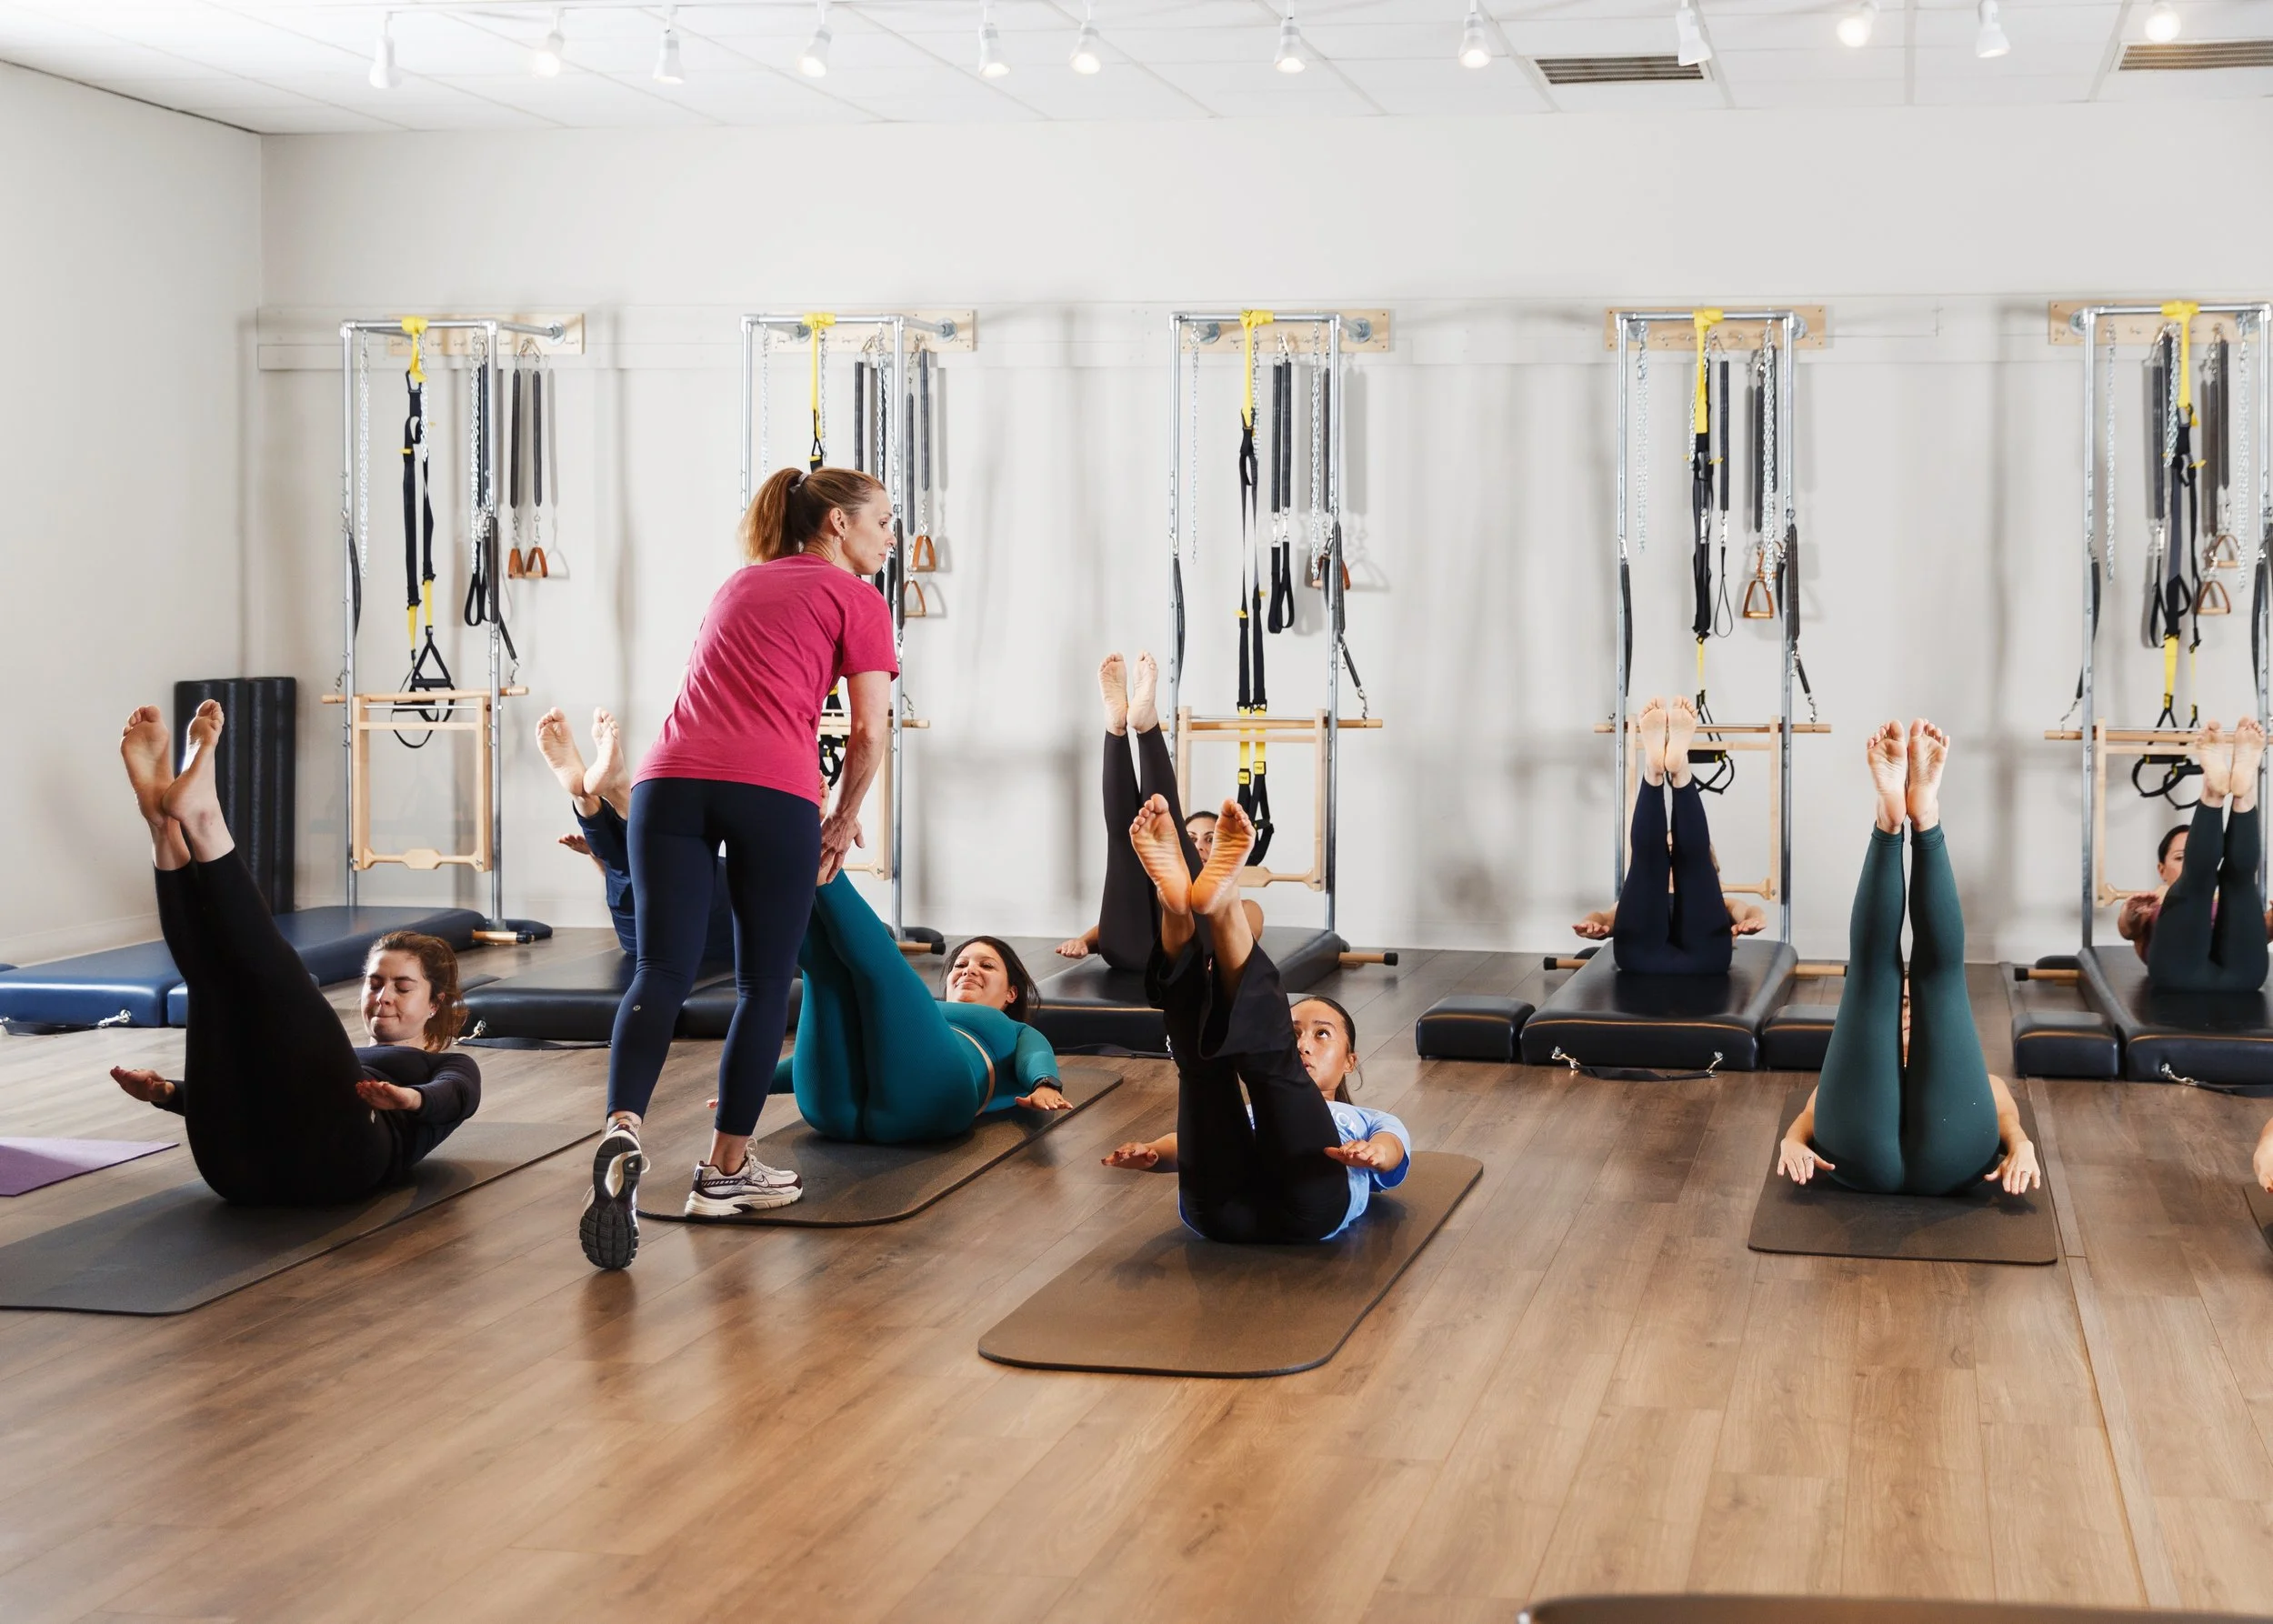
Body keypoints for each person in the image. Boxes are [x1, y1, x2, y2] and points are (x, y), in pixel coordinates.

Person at [583, 466, 898, 1271]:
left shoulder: (742, 582)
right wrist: (844, 818)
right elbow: (868, 735)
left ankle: (623, 1127)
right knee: (764, 983)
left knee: (658, 969)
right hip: (770, 789)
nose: (891, 539)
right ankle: (725, 1171)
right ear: (836, 526)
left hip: (667, 780)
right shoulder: (859, 600)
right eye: (884, 523)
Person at [111, 702, 480, 1206]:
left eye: (402, 986)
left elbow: (457, 1099)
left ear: (435, 1004)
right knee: (212, 985)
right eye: (375, 983)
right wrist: (168, 1095)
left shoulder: (449, 1064)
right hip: (238, 1168)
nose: (383, 997)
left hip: (337, 1158)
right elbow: (247, 1090)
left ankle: (198, 818)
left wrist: (407, 1098)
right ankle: (163, 824)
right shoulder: (331, 1053)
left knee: (277, 980)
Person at [1099, 796, 1409, 1243]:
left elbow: (1393, 1150)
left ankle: (1202, 909)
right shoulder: (1249, 1111)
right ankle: (1189, 906)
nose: (1303, 1042)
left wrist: (1374, 1154)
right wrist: (1153, 1152)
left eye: (1322, 1035)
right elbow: (1187, 1144)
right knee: (1209, 1073)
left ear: (1349, 1061)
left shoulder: (1364, 1121)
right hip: (1220, 1211)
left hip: (1309, 1208)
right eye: (1295, 1031)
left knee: (1241, 1066)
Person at [1776, 720, 2040, 1198]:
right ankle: (1922, 819)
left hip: (1880, 1156)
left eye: (1905, 1010)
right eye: (1904, 1011)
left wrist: (2022, 1146)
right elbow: (1807, 1119)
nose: (1904, 1017)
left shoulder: (1975, 1078)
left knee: (1875, 979)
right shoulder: (1884, 1062)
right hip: (1931, 1158)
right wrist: (1790, 1143)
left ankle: (1892, 821)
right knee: (1934, 981)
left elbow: (2007, 1119)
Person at [758, 877, 1070, 1162]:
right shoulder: (922, 1008)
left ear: (1012, 994)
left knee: (876, 967)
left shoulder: (1017, 1030)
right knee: (823, 972)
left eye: (986, 966)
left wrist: (1045, 1084)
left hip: (932, 1103)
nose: (969, 970)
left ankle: (821, 857)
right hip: (833, 1113)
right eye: (960, 964)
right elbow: (818, 1051)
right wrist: (757, 1083)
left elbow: (1037, 1056)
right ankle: (781, 853)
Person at [1056, 652, 1264, 967]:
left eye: (1210, 840)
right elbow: (1110, 921)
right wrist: (1083, 941)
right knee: (1128, 842)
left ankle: (1127, 731)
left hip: (1182, 953)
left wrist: (1222, 909)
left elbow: (1246, 936)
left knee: (1134, 846)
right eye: (1192, 838)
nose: (1200, 846)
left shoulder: (1247, 905)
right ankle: (1125, 725)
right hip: (1130, 945)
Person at [1572, 696, 1764, 972]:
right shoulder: (1641, 890)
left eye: (1674, 850)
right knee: (1648, 863)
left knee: (1690, 862)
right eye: (1669, 849)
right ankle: (1671, 769)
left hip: (1701, 957)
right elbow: (1604, 916)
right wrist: (1594, 923)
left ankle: (1661, 771)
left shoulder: (1720, 899)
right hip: (1645, 956)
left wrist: (1753, 920)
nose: (1672, 856)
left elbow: (1747, 911)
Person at [537, 706, 732, 963]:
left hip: (694, 930)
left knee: (659, 863)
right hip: (646, 933)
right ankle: (590, 797)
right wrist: (598, 855)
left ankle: (597, 795)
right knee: (626, 866)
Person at [2116, 719, 2272, 991]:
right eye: (2179, 857)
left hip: (2243, 976)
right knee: (2207, 881)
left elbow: (2263, 936)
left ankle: (2236, 792)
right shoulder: (2156, 899)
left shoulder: (2227, 899)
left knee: (2239, 881)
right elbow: (2128, 931)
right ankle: (2232, 795)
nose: (2189, 860)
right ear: (2161, 869)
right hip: (2180, 974)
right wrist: (2130, 913)